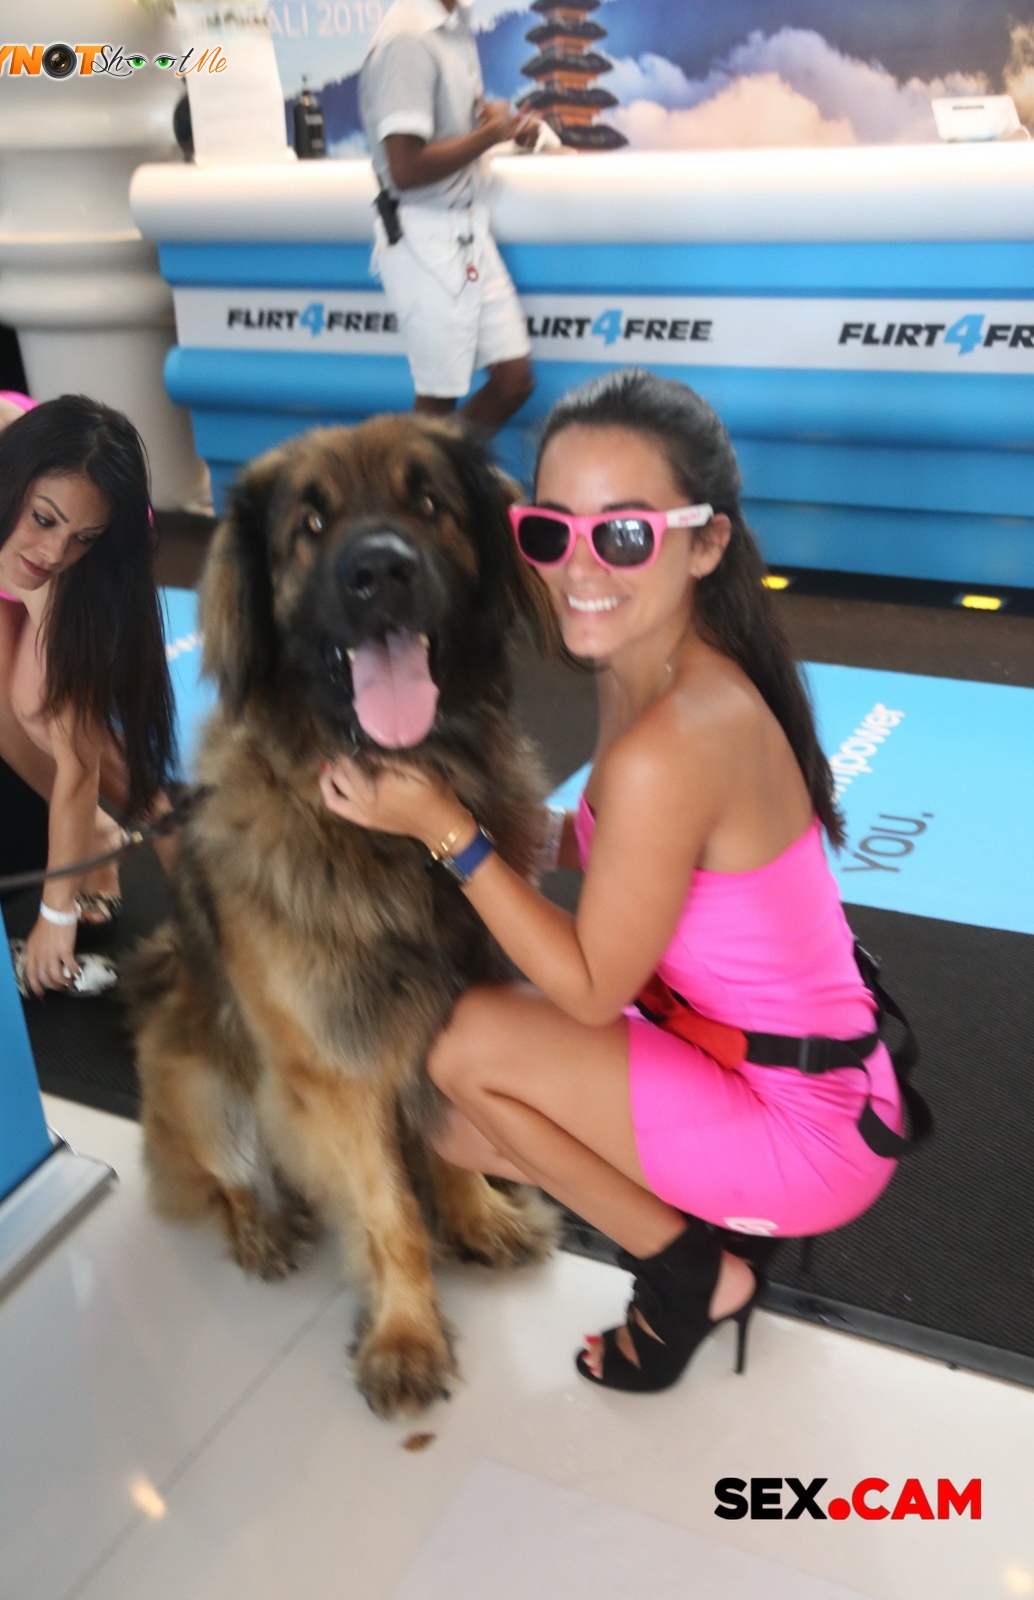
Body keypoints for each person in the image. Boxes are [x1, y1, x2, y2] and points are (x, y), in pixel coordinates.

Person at [319, 368, 907, 1393]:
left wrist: (446, 830)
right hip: (764, 1063)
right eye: (552, 533)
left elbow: (590, 986)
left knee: (459, 1047)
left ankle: (688, 1272)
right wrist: (501, 825)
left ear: (706, 542)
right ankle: (704, 1225)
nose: (580, 569)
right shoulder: (649, 664)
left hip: (803, 1129)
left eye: (625, 534)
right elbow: (635, 848)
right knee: (455, 1123)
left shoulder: (674, 737)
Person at [0, 389, 175, 997]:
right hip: (2, 515)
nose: (55, 553)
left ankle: (194, 867)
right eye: (45, 523)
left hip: (73, 503)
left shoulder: (69, 555)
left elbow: (78, 763)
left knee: (39, 707)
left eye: (78, 536)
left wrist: (54, 914)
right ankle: (99, 839)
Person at [358, 0, 537, 429]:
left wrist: (503, 129)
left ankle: (446, 466)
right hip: (424, 236)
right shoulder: (407, 37)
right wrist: (488, 136)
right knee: (437, 399)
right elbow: (405, 169)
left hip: (466, 226)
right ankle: (427, 471)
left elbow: (454, 129)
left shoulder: (453, 23)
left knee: (514, 381)